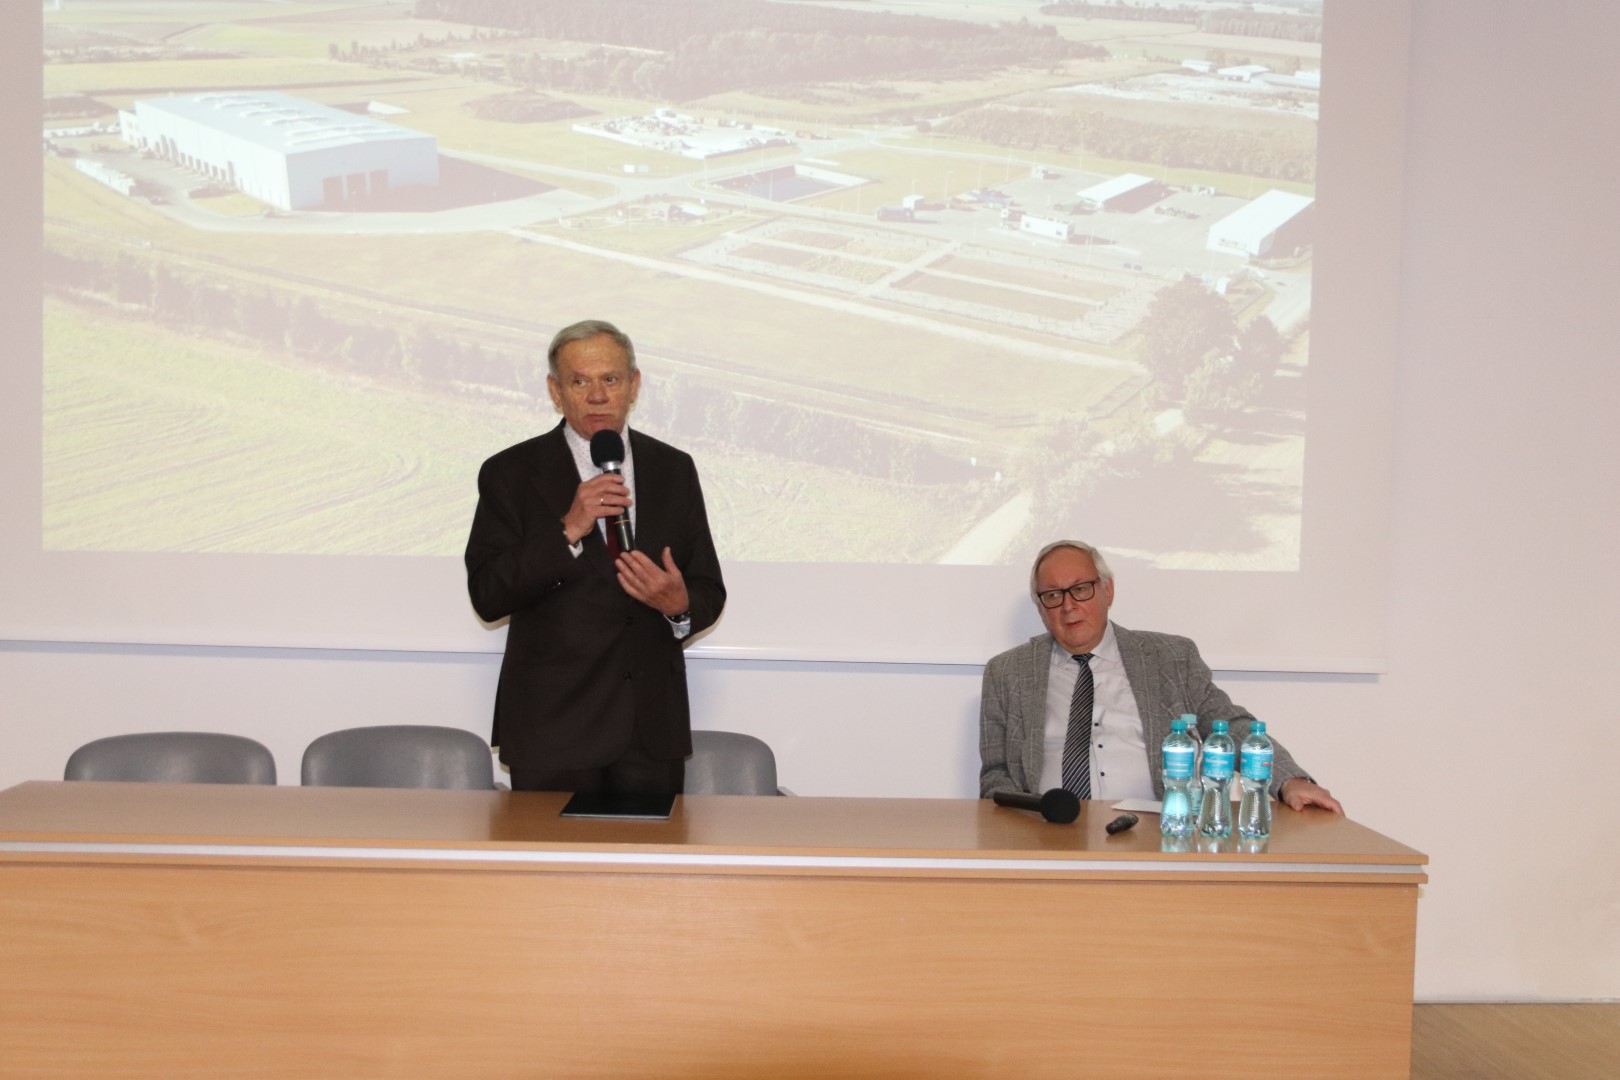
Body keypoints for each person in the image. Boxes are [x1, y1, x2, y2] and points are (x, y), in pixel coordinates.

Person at [465, 319, 725, 794]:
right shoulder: (510, 472)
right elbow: (488, 594)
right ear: (555, 391)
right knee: (546, 849)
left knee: (651, 848)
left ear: (634, 385)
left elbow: (707, 587)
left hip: (651, 734)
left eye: (611, 379)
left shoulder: (673, 469)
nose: (598, 395)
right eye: (580, 381)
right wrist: (567, 530)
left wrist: (678, 605)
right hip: (552, 731)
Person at [980, 540, 1341, 813]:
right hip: (1049, 834)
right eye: (1052, 595)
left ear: (1108, 590)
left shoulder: (1170, 658)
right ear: (1040, 608)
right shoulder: (1008, 672)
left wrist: (1289, 780)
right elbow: (996, 775)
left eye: (1081, 589)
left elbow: (1231, 725)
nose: (1068, 606)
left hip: (1154, 830)